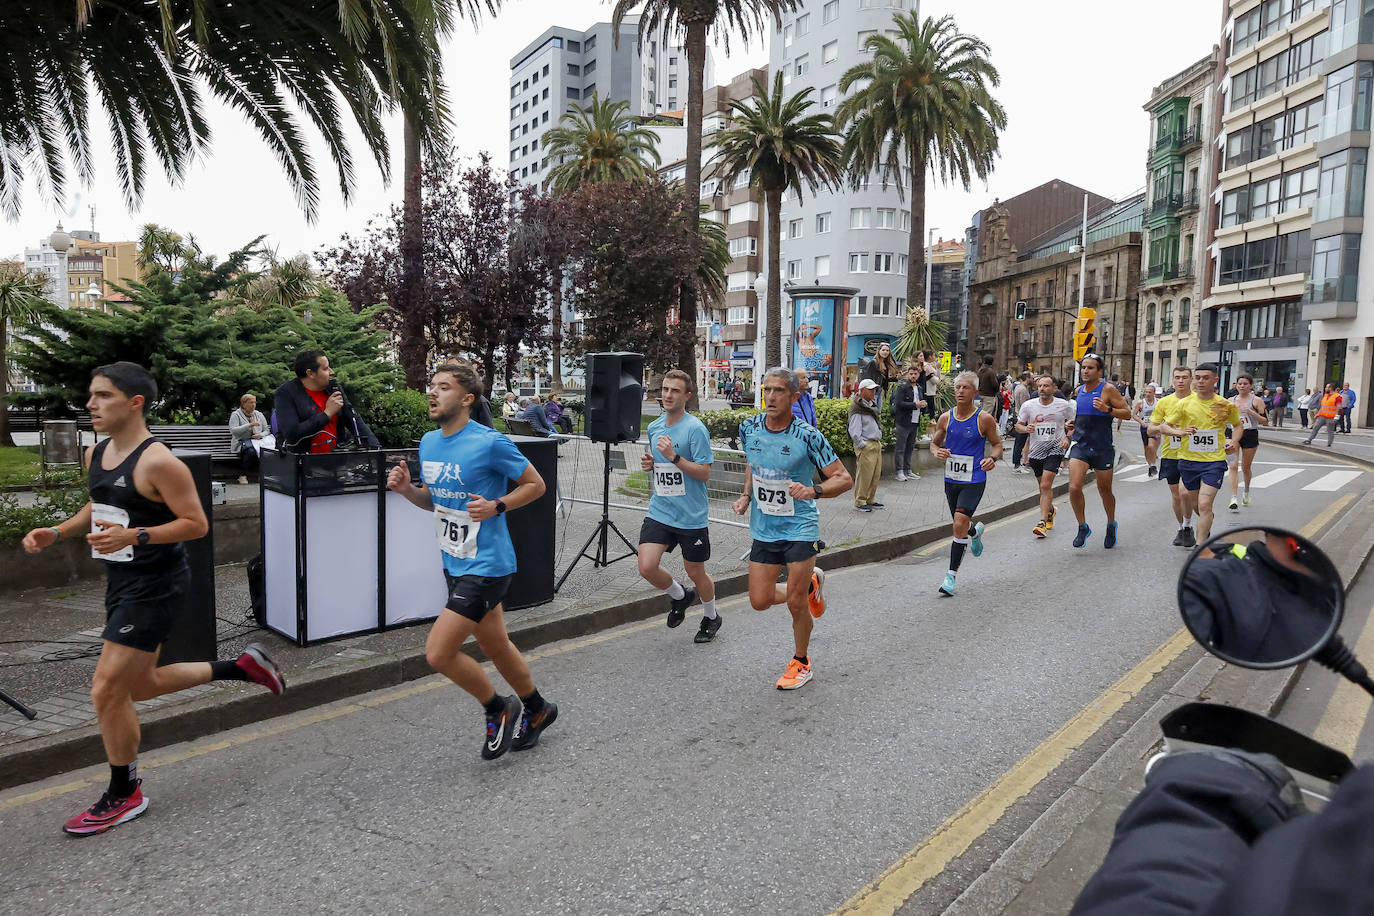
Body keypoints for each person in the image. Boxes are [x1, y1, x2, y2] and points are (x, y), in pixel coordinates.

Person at [22, 362, 286, 836]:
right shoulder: (96, 453)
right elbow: (98, 504)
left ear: (135, 402)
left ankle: (125, 793)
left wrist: (136, 535)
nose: (90, 404)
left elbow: (196, 524)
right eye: (91, 396)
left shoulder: (159, 462)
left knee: (106, 690)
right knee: (139, 687)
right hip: (121, 583)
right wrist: (58, 531)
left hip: (156, 585)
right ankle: (241, 667)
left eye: (102, 396)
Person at [386, 362, 557, 759]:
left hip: (488, 566)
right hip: (455, 561)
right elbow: (435, 500)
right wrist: (406, 491)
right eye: (431, 385)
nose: (432, 392)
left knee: (438, 653)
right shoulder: (429, 443)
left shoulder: (490, 442)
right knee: (496, 644)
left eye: (443, 387)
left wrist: (498, 505)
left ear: (466, 399)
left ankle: (499, 707)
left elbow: (536, 485)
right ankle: (537, 709)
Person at [732, 367, 853, 690]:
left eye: (779, 391)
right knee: (759, 599)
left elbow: (843, 478)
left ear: (795, 396)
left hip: (800, 526)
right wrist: (746, 495)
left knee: (796, 603)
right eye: (766, 389)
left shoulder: (808, 436)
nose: (770, 397)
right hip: (764, 527)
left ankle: (801, 661)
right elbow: (753, 462)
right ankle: (811, 585)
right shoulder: (749, 427)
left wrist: (813, 490)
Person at [637, 370, 721, 643]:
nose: (668, 395)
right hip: (661, 509)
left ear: (687, 396)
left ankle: (711, 616)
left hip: (690, 516)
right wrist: (652, 464)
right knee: (646, 566)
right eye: (665, 389)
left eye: (674, 391)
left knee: (695, 572)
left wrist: (673, 456)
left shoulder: (695, 428)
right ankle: (680, 596)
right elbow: (659, 465)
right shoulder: (654, 427)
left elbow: (704, 472)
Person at [930, 372, 1002, 595]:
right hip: (952, 479)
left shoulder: (984, 419)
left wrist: (992, 458)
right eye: (958, 387)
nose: (960, 391)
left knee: (958, 522)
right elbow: (934, 444)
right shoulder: (945, 417)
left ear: (975, 392)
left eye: (966, 388)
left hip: (975, 479)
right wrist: (937, 451)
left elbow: (998, 444)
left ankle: (950, 577)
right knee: (960, 524)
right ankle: (974, 532)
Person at [1158, 362, 1241, 543]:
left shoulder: (1225, 405)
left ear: (1215, 380)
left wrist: (1233, 442)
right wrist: (1178, 432)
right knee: (1196, 504)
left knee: (1204, 504)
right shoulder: (1184, 404)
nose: (1200, 382)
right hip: (1188, 461)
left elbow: (1237, 425)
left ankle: (1200, 545)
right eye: (1198, 378)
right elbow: (1164, 427)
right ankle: (1206, 523)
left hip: (1214, 462)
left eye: (1205, 378)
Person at [1066, 353, 1132, 549]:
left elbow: (1127, 413)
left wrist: (1108, 409)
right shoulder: (1079, 391)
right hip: (1081, 445)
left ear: (1100, 371)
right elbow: (1082, 416)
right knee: (1074, 487)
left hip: (1102, 447)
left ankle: (1111, 524)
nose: (1086, 371)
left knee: (1105, 490)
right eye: (1084, 367)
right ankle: (1082, 526)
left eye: (1090, 368)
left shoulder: (1108, 389)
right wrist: (1073, 424)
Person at [272, 349, 379, 453]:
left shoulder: (334, 389)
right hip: (304, 462)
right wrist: (326, 414)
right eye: (326, 368)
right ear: (310, 373)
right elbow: (292, 434)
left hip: (336, 460)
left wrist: (377, 451)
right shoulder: (285, 394)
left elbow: (354, 420)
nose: (332, 372)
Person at [1016, 375, 1074, 539]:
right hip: (1036, 451)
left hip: (1055, 448)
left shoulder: (1063, 405)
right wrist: (1025, 429)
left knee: (1046, 484)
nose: (1042, 389)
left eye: (1046, 386)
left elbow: (1073, 424)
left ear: (1054, 389)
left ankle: (1041, 522)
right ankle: (1050, 510)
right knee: (1042, 486)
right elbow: (1019, 425)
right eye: (1040, 386)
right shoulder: (1029, 406)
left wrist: (1067, 438)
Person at [1149, 366, 1197, 548]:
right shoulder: (1164, 403)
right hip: (1171, 453)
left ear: (1191, 379)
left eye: (1185, 377)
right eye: (1177, 377)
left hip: (1194, 454)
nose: (1181, 381)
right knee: (1177, 496)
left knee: (1187, 494)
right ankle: (1183, 528)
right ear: (1173, 380)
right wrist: (1163, 428)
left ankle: (1190, 524)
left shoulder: (1198, 400)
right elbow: (1150, 428)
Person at [1226, 374, 1268, 511]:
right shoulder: (1230, 401)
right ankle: (1233, 497)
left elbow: (1265, 422)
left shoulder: (1257, 401)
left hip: (1250, 434)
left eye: (1245, 384)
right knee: (1232, 466)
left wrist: (1250, 411)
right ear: (1236, 385)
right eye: (1240, 384)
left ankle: (1246, 491)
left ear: (1250, 386)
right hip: (1232, 435)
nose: (1242, 386)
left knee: (1245, 467)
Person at [849, 378, 884, 512]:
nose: (873, 392)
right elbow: (854, 429)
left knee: (875, 474)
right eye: (870, 390)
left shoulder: (870, 405)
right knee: (864, 475)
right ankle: (860, 500)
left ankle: (870, 499)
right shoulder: (857, 407)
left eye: (874, 389)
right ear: (862, 391)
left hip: (875, 443)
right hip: (867, 444)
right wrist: (862, 444)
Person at [892, 364, 926, 481]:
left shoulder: (920, 388)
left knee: (910, 447)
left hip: (915, 421)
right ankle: (899, 471)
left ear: (918, 375)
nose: (913, 376)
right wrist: (914, 405)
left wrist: (923, 404)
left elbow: (920, 403)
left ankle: (908, 470)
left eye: (915, 374)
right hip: (903, 421)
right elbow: (899, 403)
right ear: (907, 375)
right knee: (901, 447)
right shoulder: (902, 387)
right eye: (911, 374)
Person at [228, 393, 267, 483]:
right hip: (241, 442)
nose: (253, 405)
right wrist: (249, 425)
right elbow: (233, 431)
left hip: (258, 442)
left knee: (267, 451)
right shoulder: (236, 414)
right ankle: (243, 475)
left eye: (254, 402)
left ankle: (263, 476)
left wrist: (260, 435)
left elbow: (266, 430)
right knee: (251, 451)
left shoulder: (259, 414)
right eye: (251, 402)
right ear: (243, 404)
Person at [1132, 384, 1162, 478]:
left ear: (1154, 393)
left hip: (1155, 428)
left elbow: (1165, 414)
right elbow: (1134, 415)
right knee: (1147, 449)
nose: (1147, 394)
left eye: (1150, 392)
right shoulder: (1141, 403)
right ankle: (1150, 466)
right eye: (1146, 392)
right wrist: (1141, 422)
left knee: (1151, 446)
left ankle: (1153, 465)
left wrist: (1162, 424)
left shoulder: (1159, 402)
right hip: (1144, 428)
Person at [861, 342, 900, 410]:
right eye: (883, 350)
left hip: (880, 390)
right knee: (873, 411)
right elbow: (868, 378)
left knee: (878, 412)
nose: (885, 352)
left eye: (887, 350)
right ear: (879, 351)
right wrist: (869, 392)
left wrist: (896, 378)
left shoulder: (886, 364)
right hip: (873, 391)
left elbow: (885, 379)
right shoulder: (873, 362)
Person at [1303, 383, 1342, 448]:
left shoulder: (1337, 397)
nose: (1325, 388)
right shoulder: (1325, 395)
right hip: (1322, 416)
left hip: (1331, 417)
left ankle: (1329, 444)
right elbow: (1323, 406)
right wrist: (1318, 413)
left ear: (1331, 388)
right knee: (1316, 427)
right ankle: (1309, 439)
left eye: (1327, 387)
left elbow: (1339, 408)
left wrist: (1336, 418)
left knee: (1330, 431)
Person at [1011, 372, 1033, 473]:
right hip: (1022, 418)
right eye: (1031, 378)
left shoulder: (1018, 387)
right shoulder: (1023, 390)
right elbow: (1025, 406)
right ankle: (1017, 464)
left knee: (1019, 442)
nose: (1032, 380)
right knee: (1020, 442)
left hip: (1019, 416)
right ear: (1027, 378)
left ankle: (1016, 463)